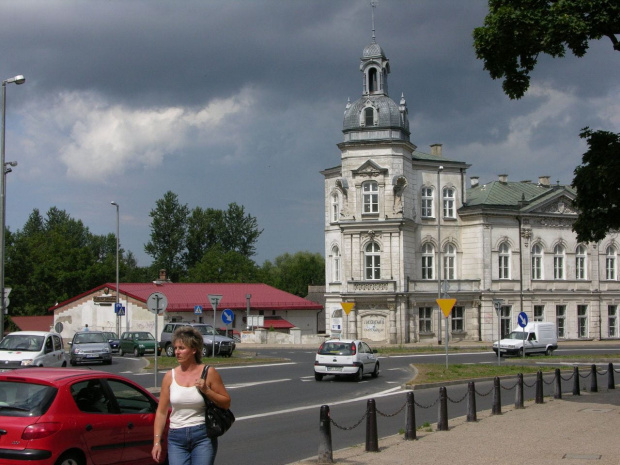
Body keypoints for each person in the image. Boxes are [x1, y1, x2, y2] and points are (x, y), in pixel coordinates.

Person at [152, 326, 231, 465]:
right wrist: (157, 441)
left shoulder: (209, 373)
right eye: (175, 348)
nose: (177, 352)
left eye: (181, 348)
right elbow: (162, 412)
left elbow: (226, 402)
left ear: (194, 350)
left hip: (202, 435)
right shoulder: (170, 376)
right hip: (176, 437)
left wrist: (207, 390)